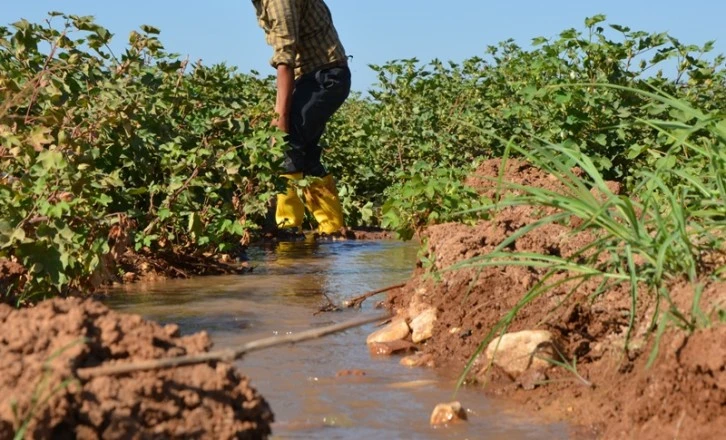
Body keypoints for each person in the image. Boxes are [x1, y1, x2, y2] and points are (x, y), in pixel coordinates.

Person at [251, 0, 351, 234]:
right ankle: (332, 227)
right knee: (304, 153)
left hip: (324, 78)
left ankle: (288, 229)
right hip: (320, 77)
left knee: (288, 142)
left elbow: (285, 58)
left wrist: (281, 116)